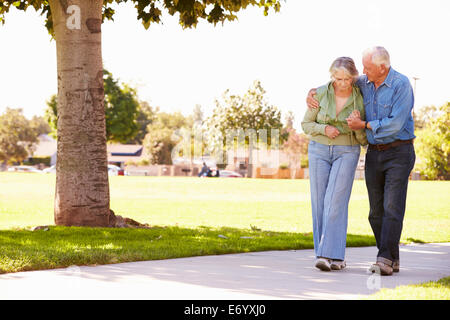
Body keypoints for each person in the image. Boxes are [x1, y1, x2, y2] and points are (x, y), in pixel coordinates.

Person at [307, 47, 416, 275]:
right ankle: (391, 257)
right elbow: (335, 84)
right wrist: (313, 93)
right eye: (363, 68)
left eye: (366, 68)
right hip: (375, 152)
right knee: (375, 212)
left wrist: (363, 125)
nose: (362, 73)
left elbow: (395, 124)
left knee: (391, 206)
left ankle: (383, 258)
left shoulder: (401, 85)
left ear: (382, 68)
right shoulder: (364, 83)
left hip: (399, 150)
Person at [301, 57, 367, 272]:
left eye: (347, 79)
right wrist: (324, 129)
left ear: (353, 77)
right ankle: (334, 256)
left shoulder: (361, 96)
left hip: (347, 150)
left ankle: (325, 254)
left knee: (335, 201)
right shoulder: (319, 93)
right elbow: (306, 124)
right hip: (318, 150)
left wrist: (356, 126)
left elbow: (363, 138)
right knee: (320, 202)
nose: (342, 83)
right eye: (338, 78)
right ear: (332, 77)